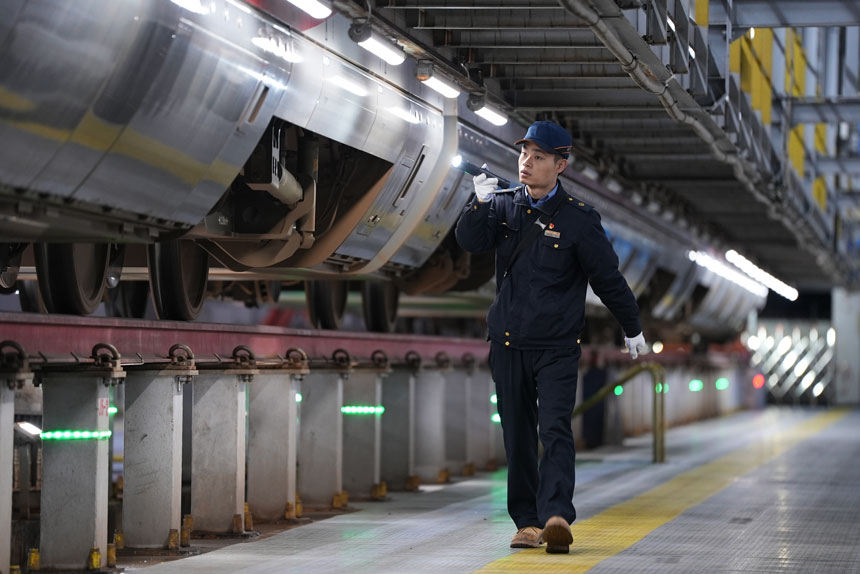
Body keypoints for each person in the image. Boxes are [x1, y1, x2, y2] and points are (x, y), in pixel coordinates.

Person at [455, 120, 647, 554]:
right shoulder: (504, 206)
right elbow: (470, 242)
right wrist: (479, 203)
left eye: (539, 157)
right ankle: (527, 522)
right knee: (517, 435)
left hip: (557, 347)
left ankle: (557, 515)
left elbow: (608, 279)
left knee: (555, 428)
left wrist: (631, 326)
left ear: (561, 165)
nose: (527, 162)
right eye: (524, 154)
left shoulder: (579, 221)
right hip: (506, 343)